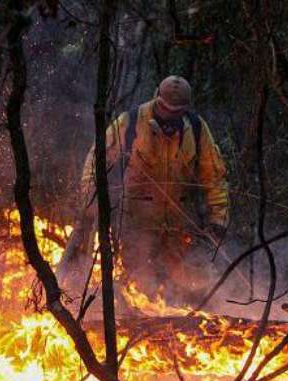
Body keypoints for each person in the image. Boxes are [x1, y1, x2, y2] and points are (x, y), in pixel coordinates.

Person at [63, 75, 229, 304]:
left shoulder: (197, 130)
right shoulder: (130, 123)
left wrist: (218, 219)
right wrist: (91, 200)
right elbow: (96, 158)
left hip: (178, 229)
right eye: (164, 108)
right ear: (156, 98)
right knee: (137, 289)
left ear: (185, 109)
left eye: (176, 111)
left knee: (188, 291)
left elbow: (215, 177)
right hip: (136, 228)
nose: (169, 115)